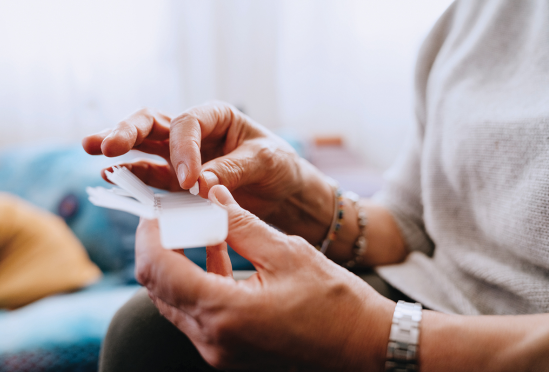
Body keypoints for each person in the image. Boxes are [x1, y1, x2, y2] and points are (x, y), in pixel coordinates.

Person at [82, 1, 549, 371]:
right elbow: (414, 223)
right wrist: (299, 195)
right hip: (425, 299)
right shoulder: (477, 14)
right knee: (148, 334)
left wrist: (367, 336)